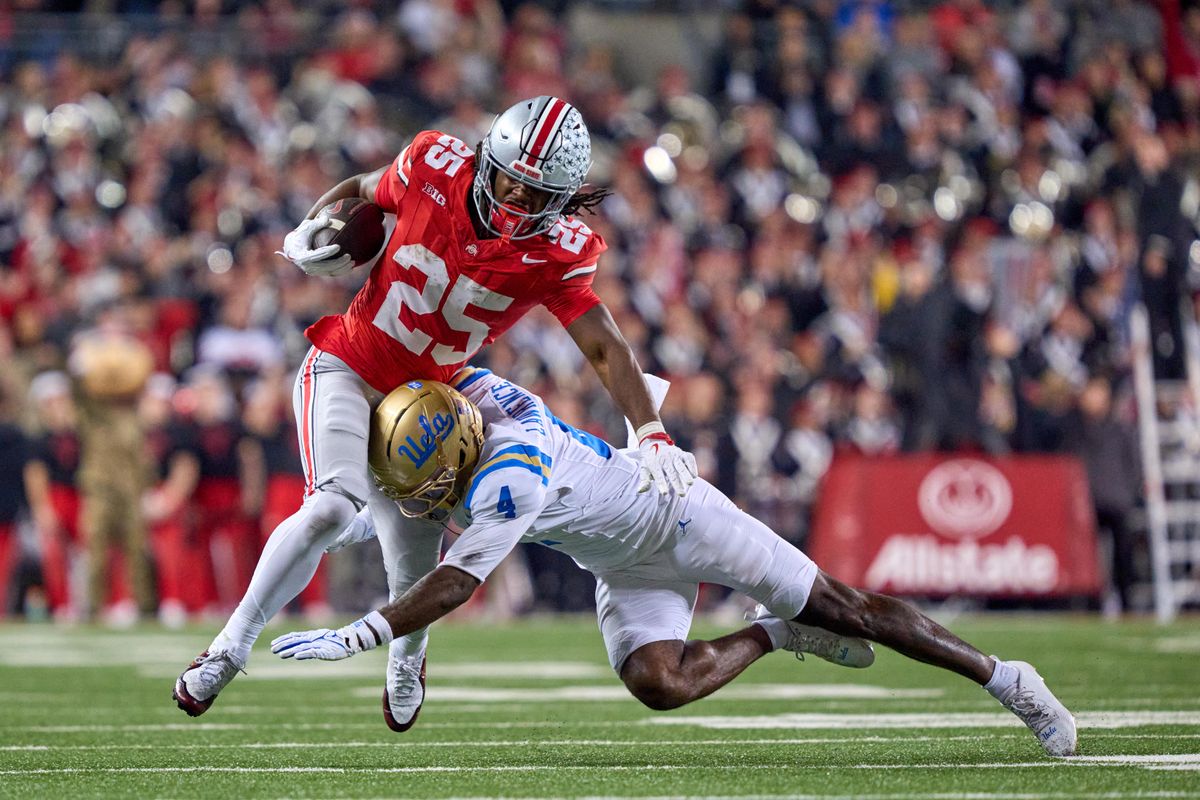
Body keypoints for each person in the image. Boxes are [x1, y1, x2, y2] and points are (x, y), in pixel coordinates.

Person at [174, 96, 699, 728]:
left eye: (538, 195)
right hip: (348, 363)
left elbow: (603, 344)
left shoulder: (557, 252)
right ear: (488, 161)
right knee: (330, 506)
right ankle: (228, 648)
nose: (519, 201)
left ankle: (407, 660)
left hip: (429, 402)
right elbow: (361, 189)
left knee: (412, 568)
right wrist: (311, 228)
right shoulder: (431, 165)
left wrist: (650, 430)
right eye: (512, 182)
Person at [270, 370, 1077, 758]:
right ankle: (774, 635)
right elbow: (415, 482)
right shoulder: (470, 397)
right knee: (659, 683)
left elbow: (455, 581)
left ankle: (1008, 679)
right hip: (621, 563)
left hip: (680, 517)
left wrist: (361, 634)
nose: (423, 497)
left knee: (849, 608)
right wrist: (347, 517)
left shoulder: (509, 477)